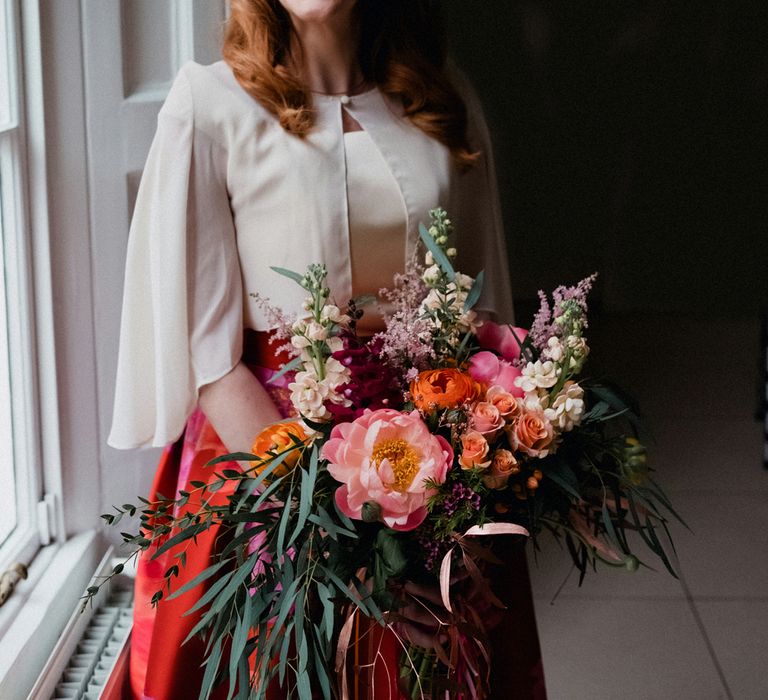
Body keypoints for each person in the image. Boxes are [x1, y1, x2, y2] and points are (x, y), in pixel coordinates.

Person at [108, 0, 544, 697]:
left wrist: (458, 504)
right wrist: (339, 542)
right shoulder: (210, 106)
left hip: (433, 454)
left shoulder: (442, 95)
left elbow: (478, 318)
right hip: (269, 466)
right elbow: (211, 359)